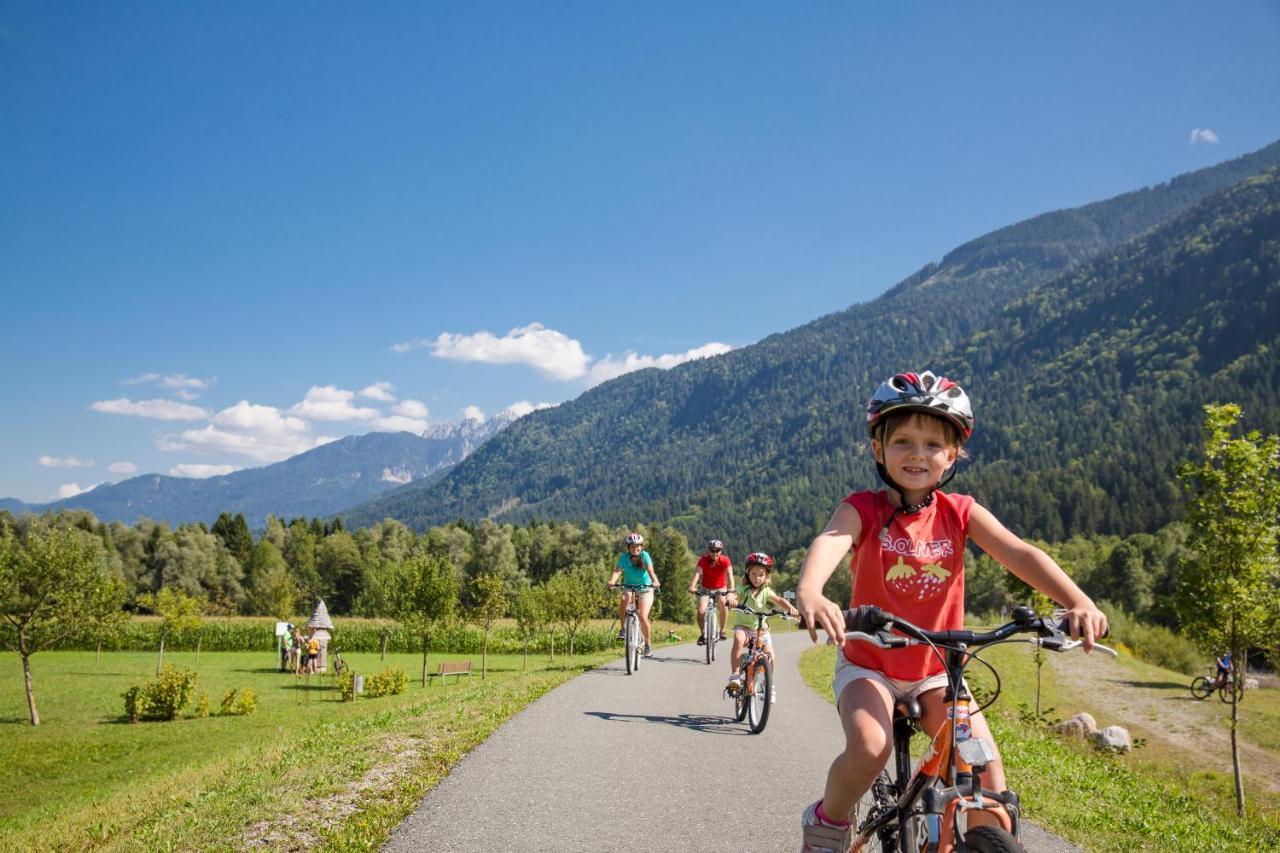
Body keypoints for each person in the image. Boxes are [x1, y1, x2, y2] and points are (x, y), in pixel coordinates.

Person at [794, 370, 1108, 852]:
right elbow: (832, 540)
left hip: (939, 671)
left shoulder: (960, 511)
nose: (917, 454)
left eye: (932, 444)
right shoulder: (863, 507)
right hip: (869, 663)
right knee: (870, 747)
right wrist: (812, 591)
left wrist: (1077, 601)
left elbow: (1021, 554)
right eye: (902, 441)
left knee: (985, 777)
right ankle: (828, 822)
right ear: (878, 449)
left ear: (953, 454)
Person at [725, 552, 798, 696]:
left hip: (761, 630)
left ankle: (767, 682)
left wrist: (791, 608)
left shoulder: (766, 591)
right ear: (747, 573)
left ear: (766, 577)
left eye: (761, 574)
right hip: (744, 628)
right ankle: (735, 675)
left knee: (770, 655)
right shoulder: (743, 589)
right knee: (738, 639)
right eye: (753, 574)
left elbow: (779, 600)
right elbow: (732, 594)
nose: (757, 578)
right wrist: (731, 599)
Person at [608, 532, 661, 657]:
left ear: (641, 546)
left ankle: (648, 644)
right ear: (628, 548)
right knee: (624, 599)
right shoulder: (624, 558)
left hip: (645, 588)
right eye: (632, 546)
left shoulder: (645, 556)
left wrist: (655, 581)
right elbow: (618, 571)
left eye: (637, 546)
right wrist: (612, 581)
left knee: (643, 616)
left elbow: (650, 570)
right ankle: (623, 630)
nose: (635, 548)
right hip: (629, 586)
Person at [688, 538, 735, 645]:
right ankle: (703, 634)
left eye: (717, 550)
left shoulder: (725, 560)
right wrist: (692, 586)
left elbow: (730, 575)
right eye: (712, 550)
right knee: (700, 611)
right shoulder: (703, 560)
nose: (714, 553)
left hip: (720, 588)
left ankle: (722, 631)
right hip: (706, 589)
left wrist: (731, 589)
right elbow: (697, 574)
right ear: (709, 551)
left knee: (723, 604)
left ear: (721, 551)